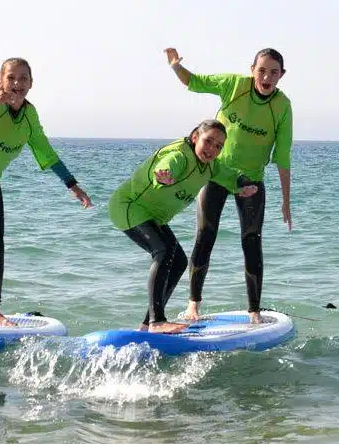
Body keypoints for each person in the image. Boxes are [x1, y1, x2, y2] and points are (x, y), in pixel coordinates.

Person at [0, 58, 92, 325]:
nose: (17, 84)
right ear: (1, 81)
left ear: (31, 83)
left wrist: (72, 185)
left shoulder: (29, 116)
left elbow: (45, 152)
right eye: (11, 78)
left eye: (23, 78)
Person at [164, 47, 292, 325]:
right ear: (252, 70)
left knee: (251, 240)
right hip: (216, 173)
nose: (266, 77)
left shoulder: (282, 106)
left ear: (282, 75)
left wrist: (286, 201)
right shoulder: (234, 85)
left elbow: (283, 155)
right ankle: (193, 305)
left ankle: (254, 311)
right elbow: (195, 82)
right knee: (205, 235)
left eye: (273, 72)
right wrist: (176, 67)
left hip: (252, 181)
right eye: (262, 70)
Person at [109, 120, 258, 333]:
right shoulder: (180, 154)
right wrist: (163, 174)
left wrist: (242, 185)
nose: (212, 149)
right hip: (129, 207)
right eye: (208, 141)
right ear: (195, 137)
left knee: (178, 261)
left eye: (219, 146)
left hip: (153, 216)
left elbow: (229, 174)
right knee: (163, 251)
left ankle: (147, 324)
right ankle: (157, 321)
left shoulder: (210, 166)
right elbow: (168, 163)